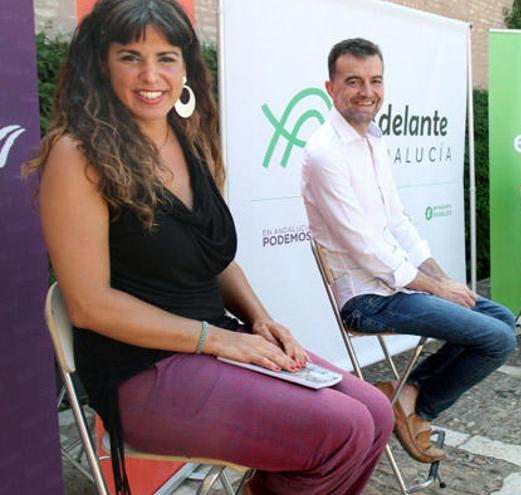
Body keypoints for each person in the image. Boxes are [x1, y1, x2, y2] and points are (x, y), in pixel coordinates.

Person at [25, 2, 392, 494]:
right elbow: (90, 305)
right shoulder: (78, 156)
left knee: (376, 412)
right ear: (101, 63)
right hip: (140, 371)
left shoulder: (187, 138)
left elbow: (214, 256)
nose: (151, 74)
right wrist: (221, 340)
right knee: (343, 428)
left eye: (167, 57)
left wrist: (260, 320)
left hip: (214, 344)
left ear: (186, 66)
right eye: (130, 56)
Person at [301, 38, 516, 464]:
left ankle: (405, 397)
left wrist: (444, 280)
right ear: (330, 87)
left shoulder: (373, 140)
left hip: (396, 286)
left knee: (500, 318)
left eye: (376, 80)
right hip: (366, 300)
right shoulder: (324, 155)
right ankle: (418, 408)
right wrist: (435, 290)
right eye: (354, 81)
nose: (367, 91)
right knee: (496, 339)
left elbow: (397, 221)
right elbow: (367, 249)